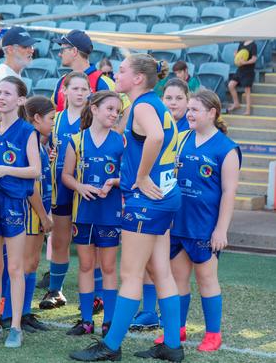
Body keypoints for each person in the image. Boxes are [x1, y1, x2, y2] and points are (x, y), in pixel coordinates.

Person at [70, 54, 184, 362]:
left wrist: (142, 175)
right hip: (165, 197)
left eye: (121, 70)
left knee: (131, 274)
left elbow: (157, 137)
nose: (115, 73)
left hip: (147, 201)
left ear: (137, 79)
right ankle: (172, 345)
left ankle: (111, 345)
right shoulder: (153, 105)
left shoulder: (144, 105)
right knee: (160, 271)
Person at [153, 89, 240, 352]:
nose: (188, 113)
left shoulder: (227, 148)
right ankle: (177, 328)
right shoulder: (180, 139)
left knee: (206, 280)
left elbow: (229, 193)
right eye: (188, 109)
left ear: (212, 113)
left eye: (194, 110)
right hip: (177, 223)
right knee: (178, 279)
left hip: (205, 227)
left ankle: (213, 334)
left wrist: (221, 230)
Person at [0, 76, 41, 348]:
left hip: (13, 204)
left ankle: (14, 326)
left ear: (20, 99)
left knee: (14, 267)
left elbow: (35, 170)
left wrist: (6, 170)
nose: (0, 97)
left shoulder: (27, 132)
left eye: (7, 93)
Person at [130, 77, 193, 332]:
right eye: (169, 98)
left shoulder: (192, 128)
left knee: (173, 267)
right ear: (161, 99)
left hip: (178, 203)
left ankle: (175, 324)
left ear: (188, 101)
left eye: (179, 98)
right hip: (154, 198)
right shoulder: (154, 121)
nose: (173, 102)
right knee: (149, 260)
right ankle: (148, 311)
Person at [61, 91, 123, 337]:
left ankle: (109, 322)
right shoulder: (77, 140)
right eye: (109, 109)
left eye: (117, 111)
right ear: (94, 109)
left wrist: (113, 182)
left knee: (108, 267)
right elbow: (66, 175)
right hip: (83, 213)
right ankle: (86, 320)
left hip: (110, 213)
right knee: (86, 265)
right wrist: (79, 186)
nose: (113, 114)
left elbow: (129, 177)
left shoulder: (121, 141)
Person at [40, 72, 89, 310]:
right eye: (75, 88)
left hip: (87, 190)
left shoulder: (93, 120)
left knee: (89, 245)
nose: (80, 93)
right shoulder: (55, 120)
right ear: (65, 92)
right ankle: (56, 290)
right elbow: (42, 146)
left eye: (84, 89)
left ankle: (95, 295)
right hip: (60, 189)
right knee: (60, 240)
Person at [17, 95, 55, 333]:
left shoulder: (40, 144)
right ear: (37, 118)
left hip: (38, 212)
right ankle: (15, 314)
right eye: (51, 118)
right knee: (25, 265)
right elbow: (32, 188)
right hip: (31, 213)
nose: (53, 122)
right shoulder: (30, 143)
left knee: (31, 264)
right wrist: (43, 216)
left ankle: (24, 312)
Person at [51, 30, 118, 113]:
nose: (59, 54)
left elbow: (124, 111)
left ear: (74, 51)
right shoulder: (61, 81)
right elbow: (53, 113)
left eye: (62, 50)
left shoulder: (104, 82)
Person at [227, 40, 258, 115]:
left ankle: (248, 110)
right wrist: (236, 56)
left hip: (248, 71)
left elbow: (254, 59)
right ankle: (236, 103)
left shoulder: (253, 45)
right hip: (240, 70)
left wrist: (245, 62)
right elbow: (239, 56)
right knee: (230, 85)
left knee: (247, 90)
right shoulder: (241, 43)